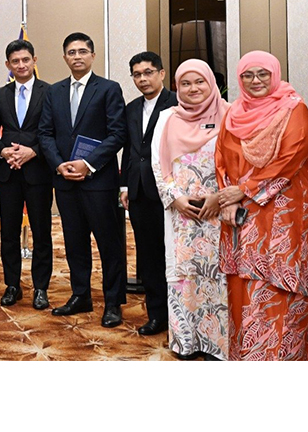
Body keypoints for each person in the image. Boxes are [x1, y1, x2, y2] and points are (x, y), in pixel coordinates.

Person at [216, 50, 308, 360]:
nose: (255, 81)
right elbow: (221, 158)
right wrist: (227, 198)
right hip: (240, 214)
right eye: (247, 75)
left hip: (282, 211)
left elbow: (291, 158)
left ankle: (284, 359)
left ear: (275, 74)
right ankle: (246, 357)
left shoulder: (295, 109)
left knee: (280, 284)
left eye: (263, 74)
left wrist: (243, 190)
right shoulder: (233, 113)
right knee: (242, 285)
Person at [39, 32, 127, 327]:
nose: (77, 56)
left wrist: (88, 164)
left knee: (109, 244)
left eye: (82, 51)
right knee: (74, 243)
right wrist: (59, 164)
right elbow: (45, 133)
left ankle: (113, 302)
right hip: (65, 181)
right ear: (64, 57)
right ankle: (81, 295)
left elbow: (117, 133)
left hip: (98, 182)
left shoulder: (108, 89)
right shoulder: (54, 91)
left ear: (92, 55)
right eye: (71, 52)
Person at [152, 59, 229, 360]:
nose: (193, 88)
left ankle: (217, 345)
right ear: (177, 87)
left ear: (211, 83)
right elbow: (158, 164)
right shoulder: (167, 118)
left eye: (199, 82)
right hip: (181, 214)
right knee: (184, 275)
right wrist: (175, 198)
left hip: (218, 211)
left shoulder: (230, 115)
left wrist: (220, 198)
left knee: (218, 275)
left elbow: (239, 163)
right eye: (185, 83)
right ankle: (186, 341)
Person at [0, 40, 53, 310]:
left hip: (38, 173)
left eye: (25, 60)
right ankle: (12, 285)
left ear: (34, 60)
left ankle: (41, 288)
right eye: (15, 61)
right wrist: (4, 152)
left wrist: (33, 152)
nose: (21, 65)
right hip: (8, 174)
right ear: (8, 65)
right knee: (9, 233)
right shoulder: (0, 94)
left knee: (42, 233)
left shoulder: (49, 92)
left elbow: (54, 132)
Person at [119, 51, 177, 336]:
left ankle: (179, 316)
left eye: (148, 72)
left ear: (161, 73)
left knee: (173, 255)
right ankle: (156, 315)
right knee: (149, 256)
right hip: (140, 192)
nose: (143, 79)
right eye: (137, 74)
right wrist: (125, 186)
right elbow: (130, 150)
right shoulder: (131, 108)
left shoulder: (177, 103)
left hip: (171, 192)